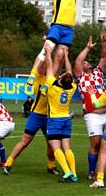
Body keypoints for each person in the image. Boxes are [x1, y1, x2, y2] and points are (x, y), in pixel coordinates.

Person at [27, 0, 84, 87]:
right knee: (47, 49)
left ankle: (49, 82)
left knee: (59, 56)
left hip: (69, 29)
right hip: (57, 26)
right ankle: (32, 75)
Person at [73, 31, 106, 180]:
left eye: (87, 61)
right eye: (85, 62)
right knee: (96, 143)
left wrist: (103, 43)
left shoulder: (97, 73)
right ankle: (92, 172)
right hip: (92, 114)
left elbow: (104, 57)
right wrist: (88, 48)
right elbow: (77, 62)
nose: (86, 62)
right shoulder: (80, 77)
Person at [3, 59, 61, 176]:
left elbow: (58, 65)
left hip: (49, 117)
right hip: (36, 115)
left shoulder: (53, 78)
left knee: (51, 143)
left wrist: (63, 53)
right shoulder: (39, 77)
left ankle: (51, 166)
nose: (44, 67)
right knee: (25, 141)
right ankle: (8, 164)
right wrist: (45, 50)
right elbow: (39, 64)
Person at [45, 44, 77, 183]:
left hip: (55, 120)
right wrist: (66, 55)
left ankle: (67, 171)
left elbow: (49, 66)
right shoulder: (72, 88)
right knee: (67, 147)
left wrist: (48, 52)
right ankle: (74, 174)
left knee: (56, 147)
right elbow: (69, 71)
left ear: (61, 79)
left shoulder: (53, 86)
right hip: (66, 119)